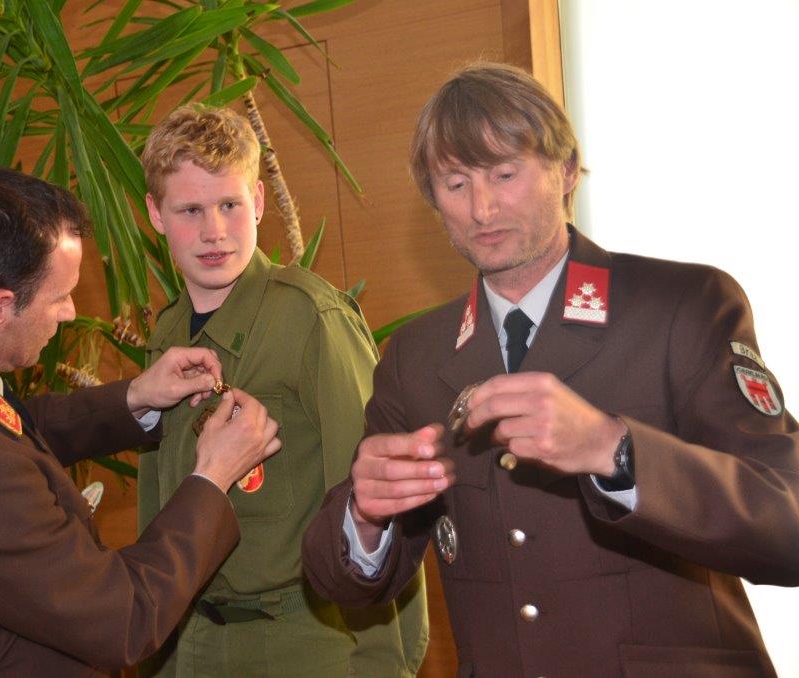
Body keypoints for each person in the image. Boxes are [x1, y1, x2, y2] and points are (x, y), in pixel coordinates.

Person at [302, 61, 799, 677]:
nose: (482, 208)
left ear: (565, 170)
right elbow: (340, 584)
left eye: (504, 174)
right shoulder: (416, 356)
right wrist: (364, 517)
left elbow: (788, 522)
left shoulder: (682, 307)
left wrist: (616, 452)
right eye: (455, 184)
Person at [0, 165, 282, 677]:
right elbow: (125, 618)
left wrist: (135, 397)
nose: (70, 312)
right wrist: (212, 477)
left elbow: (5, 428)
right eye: (59, 297)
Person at [137, 105, 428, 677]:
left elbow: (376, 498)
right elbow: (157, 503)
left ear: (259, 202)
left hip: (304, 641)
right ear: (155, 214)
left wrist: (383, 666)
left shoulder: (310, 318)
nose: (214, 231)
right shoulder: (166, 334)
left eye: (229, 205)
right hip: (193, 643)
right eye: (190, 210)